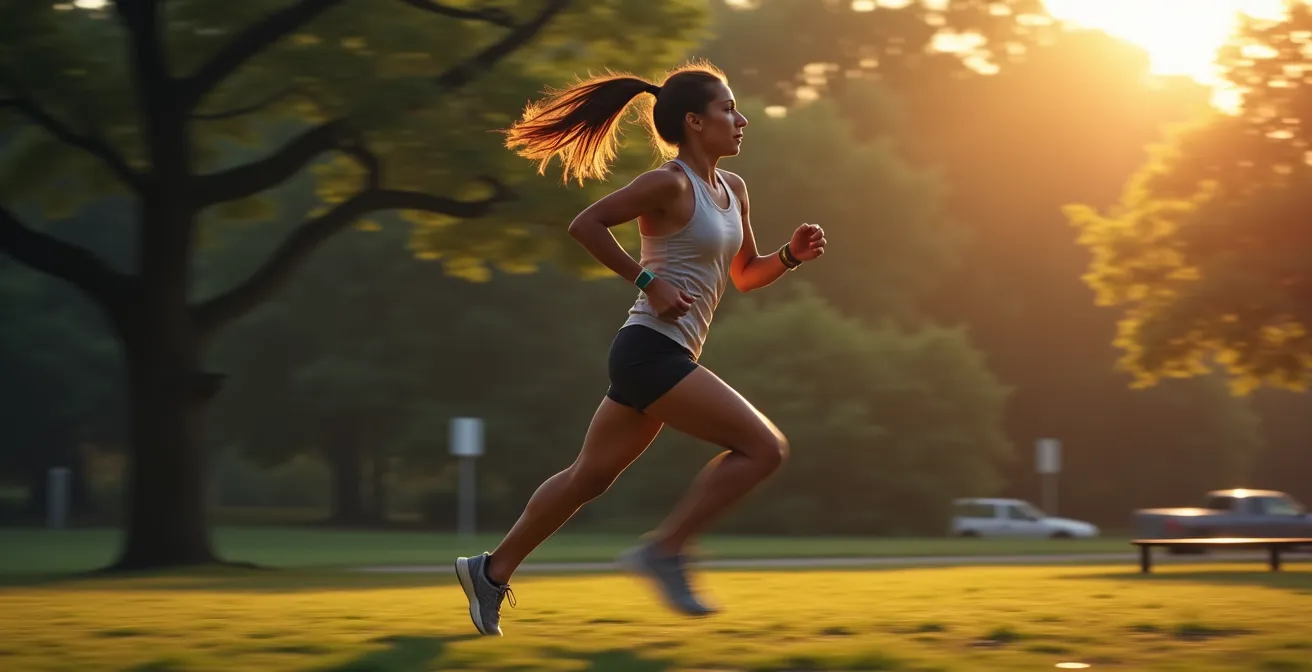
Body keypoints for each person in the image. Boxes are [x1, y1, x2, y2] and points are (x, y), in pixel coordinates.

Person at [454, 60, 826, 637]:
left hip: (664, 354)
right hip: (650, 351)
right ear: (694, 122)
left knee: (588, 478)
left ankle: (490, 571)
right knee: (763, 449)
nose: (741, 119)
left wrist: (789, 257)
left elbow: (746, 274)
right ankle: (666, 550)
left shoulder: (733, 189)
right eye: (728, 109)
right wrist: (649, 282)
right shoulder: (668, 183)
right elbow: (586, 224)